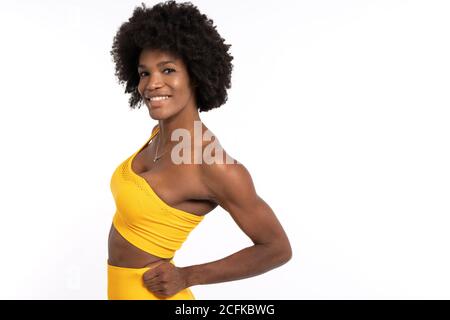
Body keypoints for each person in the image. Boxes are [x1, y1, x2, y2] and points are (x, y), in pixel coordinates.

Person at [107, 0, 292, 300]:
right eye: (144, 73)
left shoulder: (213, 165)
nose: (153, 84)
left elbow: (277, 248)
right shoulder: (159, 135)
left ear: (195, 74)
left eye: (168, 70)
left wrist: (187, 275)